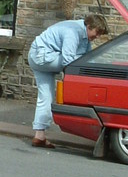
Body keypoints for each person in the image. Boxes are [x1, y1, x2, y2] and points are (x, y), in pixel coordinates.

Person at [28, 13, 108, 148]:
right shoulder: (73, 32)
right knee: (76, 60)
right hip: (42, 57)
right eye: (97, 32)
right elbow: (68, 61)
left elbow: (89, 58)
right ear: (89, 26)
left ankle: (39, 136)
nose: (98, 36)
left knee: (46, 97)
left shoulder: (84, 36)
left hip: (38, 56)